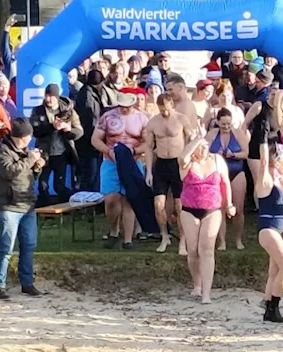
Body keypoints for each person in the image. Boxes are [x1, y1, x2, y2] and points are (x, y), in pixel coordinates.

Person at [0, 118, 46, 299]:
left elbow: (27, 174)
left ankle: (27, 283)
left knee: (29, 245)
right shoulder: (1, 150)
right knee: (6, 247)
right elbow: (9, 171)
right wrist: (30, 159)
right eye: (29, 136)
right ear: (23, 137)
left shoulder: (24, 151)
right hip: (7, 205)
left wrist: (37, 167)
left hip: (27, 204)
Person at [92, 90, 149, 249]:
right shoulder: (108, 117)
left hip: (132, 162)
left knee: (129, 200)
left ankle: (128, 238)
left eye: (127, 106)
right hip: (111, 162)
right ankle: (113, 232)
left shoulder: (141, 119)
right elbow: (95, 139)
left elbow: (148, 143)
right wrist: (108, 151)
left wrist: (134, 151)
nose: (124, 109)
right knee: (111, 199)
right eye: (121, 105)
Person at [179, 137, 233, 304]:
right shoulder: (187, 163)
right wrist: (195, 139)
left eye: (205, 146)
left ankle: (207, 294)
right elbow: (182, 158)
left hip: (213, 209)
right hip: (189, 210)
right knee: (193, 249)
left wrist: (229, 204)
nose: (202, 150)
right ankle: (197, 284)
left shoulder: (217, 160)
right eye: (199, 147)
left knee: (207, 249)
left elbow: (225, 182)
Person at [143, 92, 196, 253]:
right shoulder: (153, 123)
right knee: (158, 204)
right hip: (161, 164)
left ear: (171, 105)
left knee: (180, 205)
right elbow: (148, 148)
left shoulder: (181, 119)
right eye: (161, 110)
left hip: (177, 163)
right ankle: (164, 236)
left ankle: (183, 241)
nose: (164, 113)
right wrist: (149, 172)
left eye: (166, 109)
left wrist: (189, 160)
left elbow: (192, 139)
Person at [255, 141, 283, 322]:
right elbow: (264, 163)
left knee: (275, 270)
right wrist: (264, 142)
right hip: (269, 227)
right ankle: (273, 307)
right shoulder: (266, 181)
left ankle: (268, 301)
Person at [28, 84, 83, 206]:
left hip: (61, 153)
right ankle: (45, 209)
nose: (48, 99)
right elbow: (35, 131)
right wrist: (52, 127)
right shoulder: (38, 110)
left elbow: (79, 131)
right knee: (42, 184)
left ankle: (69, 205)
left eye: (51, 96)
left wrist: (68, 130)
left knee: (60, 186)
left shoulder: (68, 111)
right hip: (44, 153)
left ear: (57, 97)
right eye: (47, 95)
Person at [207, 106, 250, 250]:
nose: (226, 127)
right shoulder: (212, 134)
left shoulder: (238, 133)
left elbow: (246, 153)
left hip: (236, 170)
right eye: (223, 124)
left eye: (229, 124)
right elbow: (204, 152)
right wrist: (215, 155)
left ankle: (238, 239)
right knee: (220, 208)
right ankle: (222, 241)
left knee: (238, 208)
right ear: (217, 122)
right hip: (218, 173)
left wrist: (234, 155)